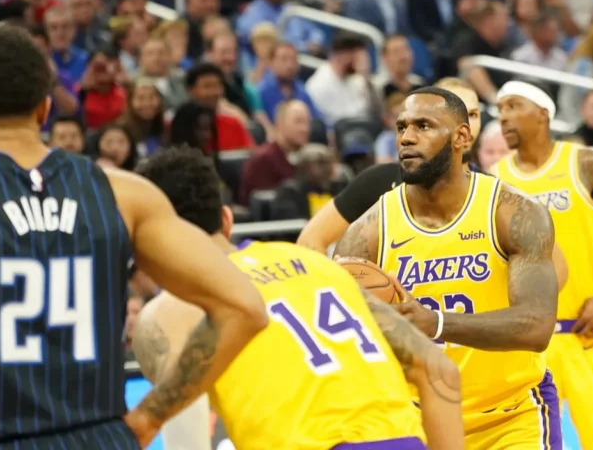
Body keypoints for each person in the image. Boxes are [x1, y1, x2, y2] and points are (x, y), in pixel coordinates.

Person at [0, 25, 267, 448]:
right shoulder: (124, 192)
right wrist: (149, 417)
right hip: (102, 439)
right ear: (45, 109)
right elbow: (244, 307)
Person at [133, 146, 464, 450]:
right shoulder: (318, 265)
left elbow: (186, 426)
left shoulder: (172, 309)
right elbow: (439, 369)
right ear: (226, 219)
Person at [334, 87, 562, 449]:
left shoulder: (512, 212)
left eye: (423, 126)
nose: (407, 137)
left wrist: (435, 323)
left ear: (461, 136)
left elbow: (536, 327)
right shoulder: (367, 231)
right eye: (401, 127)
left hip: (509, 416)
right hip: (421, 421)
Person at [492, 80, 593, 449]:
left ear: (542, 114)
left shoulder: (586, 163)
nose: (503, 117)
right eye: (500, 109)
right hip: (529, 344)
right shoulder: (495, 180)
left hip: (586, 333)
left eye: (513, 106)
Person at [296, 78, 484, 253]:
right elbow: (310, 240)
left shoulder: (493, 193)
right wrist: (344, 288)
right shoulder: (378, 181)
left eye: (473, 115)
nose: (465, 124)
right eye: (455, 114)